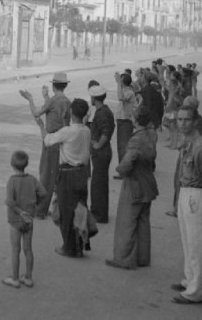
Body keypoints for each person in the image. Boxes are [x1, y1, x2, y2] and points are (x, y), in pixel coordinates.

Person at [171, 107, 202, 305]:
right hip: (185, 192)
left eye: (186, 120)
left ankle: (195, 291)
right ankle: (189, 280)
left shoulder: (201, 147)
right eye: (180, 120)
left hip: (197, 195)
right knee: (188, 242)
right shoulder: (188, 144)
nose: (182, 123)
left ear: (195, 122)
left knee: (197, 244)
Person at [105, 106, 159, 270]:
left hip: (134, 182)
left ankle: (124, 258)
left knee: (126, 221)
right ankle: (143, 258)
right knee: (143, 221)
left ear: (135, 120)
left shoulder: (136, 139)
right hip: (148, 183)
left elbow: (128, 162)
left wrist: (120, 169)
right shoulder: (151, 135)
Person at [37, 98, 91, 258]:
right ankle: (80, 244)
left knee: (66, 212)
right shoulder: (86, 130)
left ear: (71, 113)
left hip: (68, 174)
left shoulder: (67, 132)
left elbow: (47, 141)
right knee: (80, 210)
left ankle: (69, 247)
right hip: (82, 173)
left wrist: (41, 126)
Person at [20, 72, 71, 219]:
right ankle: (58, 209)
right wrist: (45, 96)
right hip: (63, 139)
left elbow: (37, 112)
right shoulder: (66, 100)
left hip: (50, 140)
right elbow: (54, 110)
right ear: (65, 85)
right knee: (58, 174)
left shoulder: (53, 100)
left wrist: (30, 99)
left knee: (46, 175)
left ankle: (41, 211)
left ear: (53, 85)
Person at [3, 150, 46, 289]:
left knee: (16, 249)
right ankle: (28, 278)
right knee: (28, 249)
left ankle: (15, 279)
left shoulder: (12, 181)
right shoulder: (32, 179)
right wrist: (34, 206)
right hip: (29, 220)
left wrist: (20, 212)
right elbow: (43, 193)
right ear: (26, 164)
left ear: (11, 164)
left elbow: (10, 202)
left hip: (15, 221)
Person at [88, 85, 115, 223]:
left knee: (98, 184)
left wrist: (98, 144)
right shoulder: (105, 110)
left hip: (101, 152)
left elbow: (105, 131)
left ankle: (99, 214)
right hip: (104, 152)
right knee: (100, 183)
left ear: (94, 98)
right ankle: (99, 212)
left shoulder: (101, 113)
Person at [114, 71, 136, 178]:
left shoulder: (129, 92)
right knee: (120, 146)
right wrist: (118, 81)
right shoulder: (125, 90)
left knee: (124, 147)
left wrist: (118, 83)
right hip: (122, 121)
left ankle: (124, 171)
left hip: (126, 121)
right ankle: (122, 170)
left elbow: (120, 97)